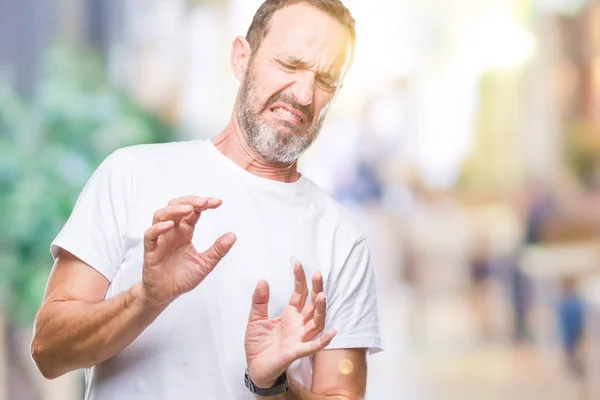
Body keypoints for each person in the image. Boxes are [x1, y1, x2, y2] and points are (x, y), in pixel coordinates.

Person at [30, 1, 383, 399]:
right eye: (289, 64)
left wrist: (274, 384)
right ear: (241, 58)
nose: (303, 94)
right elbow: (48, 351)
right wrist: (145, 299)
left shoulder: (341, 236)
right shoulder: (130, 174)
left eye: (325, 81)